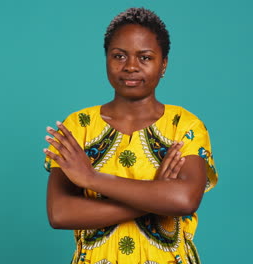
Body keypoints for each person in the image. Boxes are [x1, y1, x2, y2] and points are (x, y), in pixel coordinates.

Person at [44, 7, 218, 264]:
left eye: (145, 57)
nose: (131, 67)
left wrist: (92, 178)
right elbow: (59, 214)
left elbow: (185, 199)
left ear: (164, 64)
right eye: (119, 56)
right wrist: (156, 197)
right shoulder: (78, 126)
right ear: (106, 59)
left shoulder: (184, 125)